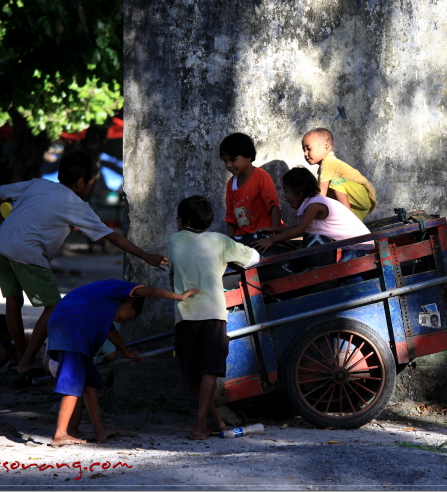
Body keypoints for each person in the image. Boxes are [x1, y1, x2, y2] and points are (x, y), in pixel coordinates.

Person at [0, 150, 167, 375]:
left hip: (1, 244)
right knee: (53, 307)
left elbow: (1, 192)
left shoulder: (39, 184)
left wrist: (18, 209)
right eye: (92, 183)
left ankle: (21, 355)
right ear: (81, 182)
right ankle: (26, 361)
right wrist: (146, 255)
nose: (90, 187)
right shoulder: (75, 204)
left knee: (12, 304)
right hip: (28, 253)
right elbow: (112, 236)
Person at [46, 279, 197, 446]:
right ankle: (60, 433)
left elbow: (111, 332)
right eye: (128, 317)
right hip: (71, 332)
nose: (122, 321)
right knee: (72, 383)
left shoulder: (104, 305)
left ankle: (99, 430)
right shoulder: (118, 288)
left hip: (74, 332)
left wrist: (126, 352)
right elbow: (149, 291)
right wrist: (179, 297)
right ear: (130, 300)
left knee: (90, 384)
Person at [167, 195, 261, 440]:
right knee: (209, 370)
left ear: (185, 220)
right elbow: (253, 259)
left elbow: (172, 273)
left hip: (185, 315)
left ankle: (211, 421)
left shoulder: (175, 241)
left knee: (191, 373)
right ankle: (207, 423)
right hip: (213, 313)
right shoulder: (220, 240)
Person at [255, 167, 374, 263]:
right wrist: (274, 229)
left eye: (286, 191)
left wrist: (271, 240)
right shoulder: (311, 204)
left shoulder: (314, 205)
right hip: (354, 243)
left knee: (350, 277)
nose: (285, 197)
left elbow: (299, 229)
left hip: (359, 244)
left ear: (300, 191)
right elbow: (300, 227)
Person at [220, 133, 281, 249]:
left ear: (248, 157)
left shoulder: (260, 176)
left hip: (264, 237)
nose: (228, 165)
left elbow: (274, 206)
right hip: (243, 239)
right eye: (225, 161)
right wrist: (232, 244)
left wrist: (274, 236)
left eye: (233, 160)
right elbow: (230, 217)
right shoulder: (231, 185)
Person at [301, 128, 376, 220]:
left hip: (361, 196)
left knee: (335, 183)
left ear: (325, 148)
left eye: (309, 149)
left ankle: (346, 218)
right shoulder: (324, 167)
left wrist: (313, 208)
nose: (305, 154)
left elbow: (322, 189)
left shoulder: (328, 162)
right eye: (304, 150)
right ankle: (349, 222)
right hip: (356, 203)